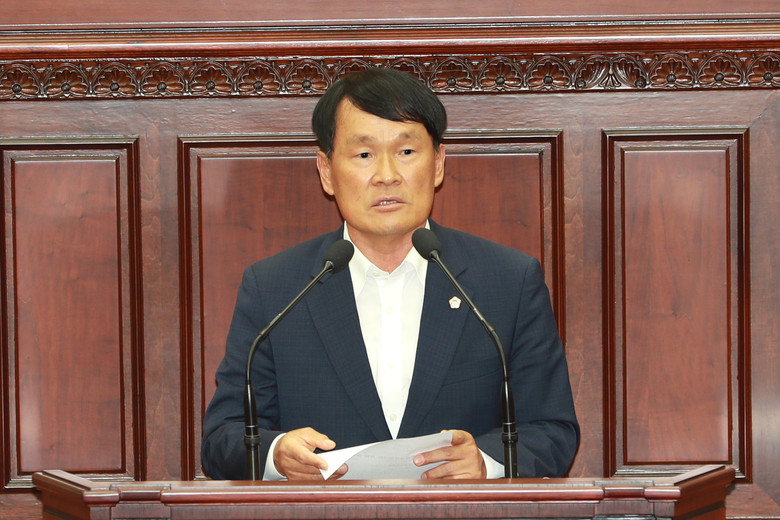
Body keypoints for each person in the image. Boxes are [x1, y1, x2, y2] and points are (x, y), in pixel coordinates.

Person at [201, 68, 579, 481]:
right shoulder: (276, 288)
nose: (386, 175)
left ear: (438, 164)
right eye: (364, 155)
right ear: (326, 171)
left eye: (406, 151)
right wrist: (276, 455)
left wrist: (486, 464)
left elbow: (552, 430)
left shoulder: (507, 282)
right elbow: (223, 437)